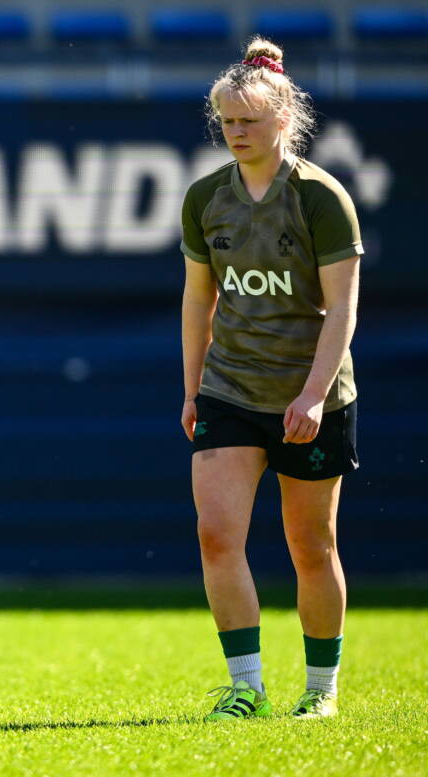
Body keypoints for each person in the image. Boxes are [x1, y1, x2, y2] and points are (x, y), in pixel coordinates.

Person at [179, 37, 362, 721]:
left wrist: (314, 394)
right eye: (226, 122)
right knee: (216, 534)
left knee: (311, 546)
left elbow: (342, 305)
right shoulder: (205, 198)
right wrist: (194, 387)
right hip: (230, 388)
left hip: (311, 394)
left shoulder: (319, 196)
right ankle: (246, 687)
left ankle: (321, 690)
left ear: (285, 118)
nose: (236, 133)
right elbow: (199, 299)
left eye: (249, 121)